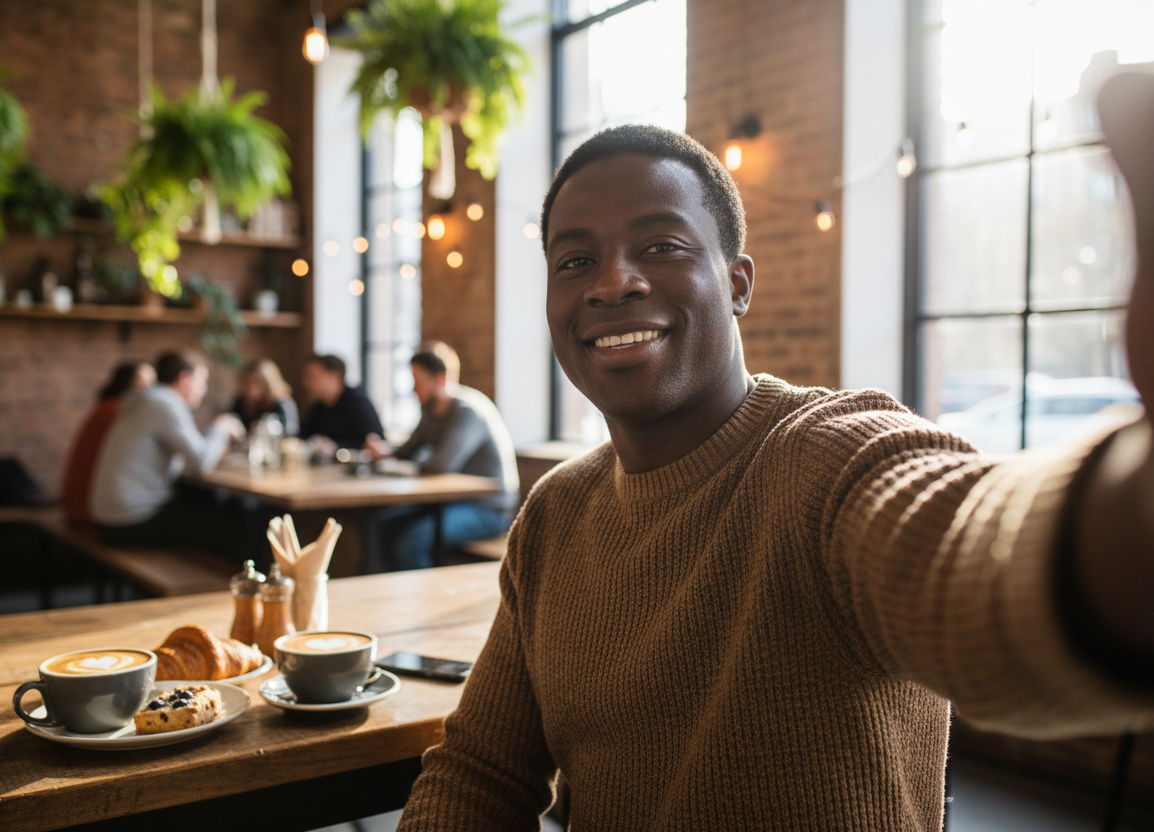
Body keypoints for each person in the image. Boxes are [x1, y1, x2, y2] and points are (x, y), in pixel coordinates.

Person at [397, 75, 1154, 830]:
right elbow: (480, 773)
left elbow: (979, 566)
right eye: (574, 261)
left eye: (661, 246)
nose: (613, 282)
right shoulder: (556, 513)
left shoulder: (828, 458)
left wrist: (1135, 495)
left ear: (737, 285)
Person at [90, 351, 262, 562]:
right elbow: (201, 461)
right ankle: (247, 578)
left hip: (110, 516)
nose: (204, 389)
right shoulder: (165, 403)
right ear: (184, 379)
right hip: (128, 520)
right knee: (234, 525)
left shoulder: (147, 401)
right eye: (202, 381)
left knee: (212, 506)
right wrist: (220, 428)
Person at [364, 343, 519, 572]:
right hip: (449, 502)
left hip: (488, 509)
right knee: (381, 526)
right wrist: (384, 452)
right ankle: (381, 589)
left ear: (440, 379)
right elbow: (407, 451)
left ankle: (424, 595)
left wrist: (411, 464)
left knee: (412, 542)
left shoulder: (467, 412)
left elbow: (441, 465)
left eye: (418, 382)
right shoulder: (430, 411)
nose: (414, 389)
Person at [60, 361, 156, 526]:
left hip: (80, 501)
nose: (150, 390)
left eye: (152, 383)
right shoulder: (118, 412)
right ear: (126, 382)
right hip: (90, 506)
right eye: (144, 382)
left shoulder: (107, 407)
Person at [299, 353, 385, 458]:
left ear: (335, 377)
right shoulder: (317, 406)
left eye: (312, 377)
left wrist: (336, 447)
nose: (305, 382)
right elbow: (304, 436)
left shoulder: (357, 402)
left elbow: (375, 442)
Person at [230, 358, 299, 436]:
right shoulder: (241, 403)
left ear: (268, 383)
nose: (250, 387)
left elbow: (290, 433)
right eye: (247, 382)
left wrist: (267, 429)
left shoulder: (282, 404)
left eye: (256, 382)